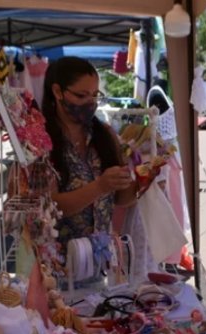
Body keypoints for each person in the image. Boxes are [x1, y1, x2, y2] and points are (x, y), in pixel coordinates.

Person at [42, 56, 136, 252]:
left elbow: (121, 199)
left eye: (95, 95)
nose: (91, 102)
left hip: (100, 262)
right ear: (57, 91)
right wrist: (100, 186)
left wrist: (142, 180)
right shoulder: (41, 142)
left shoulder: (105, 135)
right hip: (55, 265)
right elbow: (48, 205)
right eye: (82, 95)